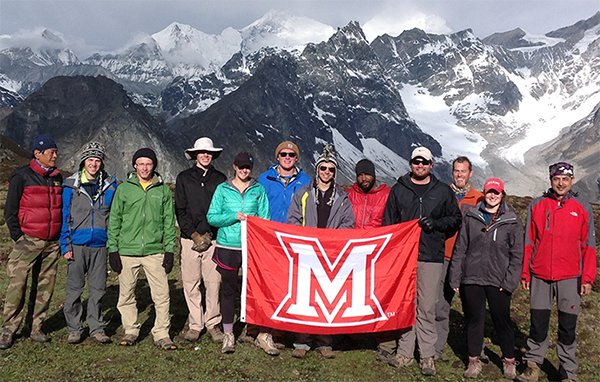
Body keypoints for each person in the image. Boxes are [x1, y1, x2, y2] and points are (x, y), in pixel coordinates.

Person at [382, 146, 462, 376]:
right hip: (404, 257)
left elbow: (455, 219)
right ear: (410, 163)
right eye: (416, 161)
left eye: (424, 162)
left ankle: (427, 355)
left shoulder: (442, 191)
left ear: (431, 165)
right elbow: (389, 223)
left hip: (431, 256)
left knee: (427, 307)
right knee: (406, 305)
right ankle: (405, 351)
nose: (420, 165)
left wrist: (436, 225)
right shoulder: (398, 190)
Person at [516, 162, 597, 382]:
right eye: (556, 179)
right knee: (538, 323)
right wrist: (525, 273)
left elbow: (589, 245)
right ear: (551, 180)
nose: (560, 183)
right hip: (540, 275)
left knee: (568, 326)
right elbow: (528, 243)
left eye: (565, 179)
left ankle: (567, 372)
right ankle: (533, 366)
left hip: (571, 276)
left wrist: (587, 277)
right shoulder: (537, 205)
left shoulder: (582, 207)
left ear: (572, 181)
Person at [449, 178, 523, 379]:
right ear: (484, 192)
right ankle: (473, 361)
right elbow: (460, 249)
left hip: (498, 281)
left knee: (502, 321)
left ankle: (509, 360)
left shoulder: (512, 220)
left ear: (502, 194)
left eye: (496, 192)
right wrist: (455, 277)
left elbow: (517, 255)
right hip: (472, 278)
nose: (492, 195)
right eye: (489, 191)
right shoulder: (471, 217)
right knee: (474, 320)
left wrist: (510, 282)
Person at [287, 144, 355, 359]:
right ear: (317, 170)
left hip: (331, 254)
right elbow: (293, 220)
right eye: (323, 168)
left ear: (335, 172)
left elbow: (348, 224)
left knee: (328, 297)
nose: (327, 172)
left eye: (331, 169)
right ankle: (302, 340)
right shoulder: (303, 193)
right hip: (307, 253)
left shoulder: (343, 198)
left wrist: (332, 240)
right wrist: (305, 240)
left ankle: (325, 341)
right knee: (305, 296)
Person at [107, 148, 177, 350]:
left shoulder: (162, 189)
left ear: (154, 166)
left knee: (162, 295)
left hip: (154, 251)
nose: (145, 167)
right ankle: (131, 330)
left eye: (148, 163)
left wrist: (170, 250)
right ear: (134, 166)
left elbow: (168, 222)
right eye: (141, 163)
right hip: (127, 250)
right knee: (126, 294)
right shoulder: (124, 189)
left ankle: (162, 333)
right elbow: (115, 221)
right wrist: (113, 250)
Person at [207, 152, 274, 355]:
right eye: (241, 167)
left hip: (252, 247)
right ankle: (228, 333)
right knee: (228, 289)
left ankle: (263, 333)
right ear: (234, 167)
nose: (245, 170)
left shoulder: (258, 189)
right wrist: (233, 217)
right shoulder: (223, 189)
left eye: (248, 167)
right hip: (228, 246)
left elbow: (265, 219)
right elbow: (212, 217)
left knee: (258, 290)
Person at [1, 134, 62, 349]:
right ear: (38, 153)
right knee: (18, 285)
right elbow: (10, 210)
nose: (55, 156)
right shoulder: (21, 176)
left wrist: (58, 236)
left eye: (56, 152)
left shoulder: (57, 177)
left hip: (51, 243)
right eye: (51, 152)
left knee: (45, 286)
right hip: (28, 240)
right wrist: (19, 236)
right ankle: (8, 329)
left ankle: (36, 326)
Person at [252, 140, 311, 349]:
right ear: (277, 157)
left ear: (297, 158)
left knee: (291, 287)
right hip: (268, 241)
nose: (287, 158)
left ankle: (282, 330)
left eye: (291, 155)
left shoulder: (306, 181)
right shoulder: (264, 179)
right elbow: (257, 207)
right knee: (268, 285)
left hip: (294, 242)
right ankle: (264, 328)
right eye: (284, 154)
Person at [60, 142, 117, 345]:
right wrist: (65, 245)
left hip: (100, 245)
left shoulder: (111, 186)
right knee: (74, 288)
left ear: (102, 162)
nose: (93, 163)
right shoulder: (70, 186)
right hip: (77, 244)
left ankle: (97, 328)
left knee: (98, 288)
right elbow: (65, 216)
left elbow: (114, 216)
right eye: (90, 159)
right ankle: (75, 328)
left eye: (97, 159)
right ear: (83, 161)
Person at [175, 137, 226, 344]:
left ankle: (213, 323)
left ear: (212, 155)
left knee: (214, 283)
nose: (205, 155)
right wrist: (194, 235)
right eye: (202, 152)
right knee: (190, 283)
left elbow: (223, 210)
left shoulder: (221, 179)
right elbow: (180, 209)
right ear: (195, 154)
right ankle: (196, 324)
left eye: (209, 152)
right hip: (189, 240)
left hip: (213, 240)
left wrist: (209, 235)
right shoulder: (183, 178)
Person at [435, 156, 483, 361]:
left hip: (470, 260)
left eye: (463, 171)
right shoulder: (441, 194)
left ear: (470, 173)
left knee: (473, 307)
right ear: (452, 172)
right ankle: (436, 348)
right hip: (444, 256)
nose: (460, 174)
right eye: (456, 171)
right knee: (440, 305)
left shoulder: (479, 199)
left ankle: (476, 349)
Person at [345, 158, 392, 358]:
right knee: (352, 294)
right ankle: (351, 334)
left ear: (374, 175)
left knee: (380, 296)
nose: (364, 178)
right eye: (361, 174)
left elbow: (393, 223)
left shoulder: (387, 195)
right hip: (353, 254)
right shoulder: (347, 195)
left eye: (368, 174)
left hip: (378, 255)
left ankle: (386, 342)